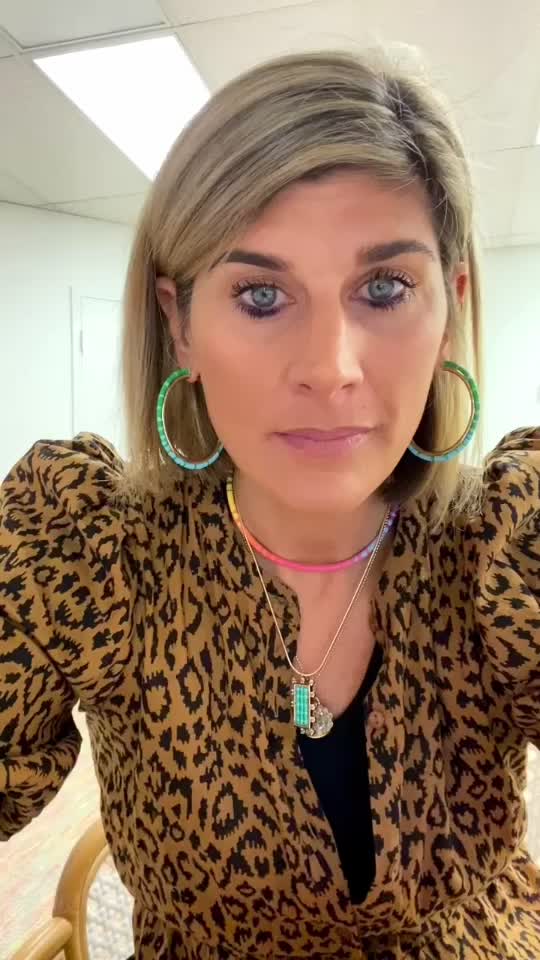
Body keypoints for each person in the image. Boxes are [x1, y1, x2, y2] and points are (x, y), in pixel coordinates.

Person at [1, 47, 539, 960]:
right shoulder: (89, 550)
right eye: (261, 295)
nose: (330, 369)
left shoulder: (506, 543)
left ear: (449, 307)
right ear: (179, 323)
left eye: (384, 288)